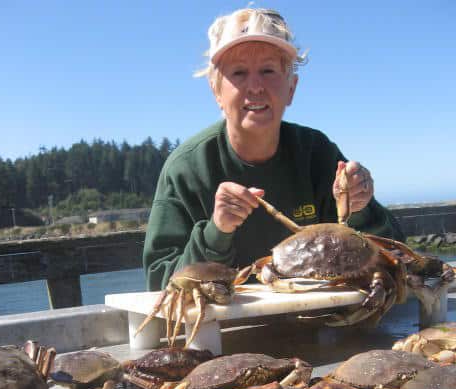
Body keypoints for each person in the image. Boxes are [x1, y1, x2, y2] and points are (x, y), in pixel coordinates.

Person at [143, 7, 405, 291]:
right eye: (239, 73)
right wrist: (215, 233)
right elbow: (159, 282)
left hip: (323, 324)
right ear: (216, 90)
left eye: (268, 71)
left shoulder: (318, 154)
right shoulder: (187, 169)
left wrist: (362, 207)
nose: (255, 86)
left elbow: (397, 257)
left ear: (291, 88)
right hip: (223, 331)